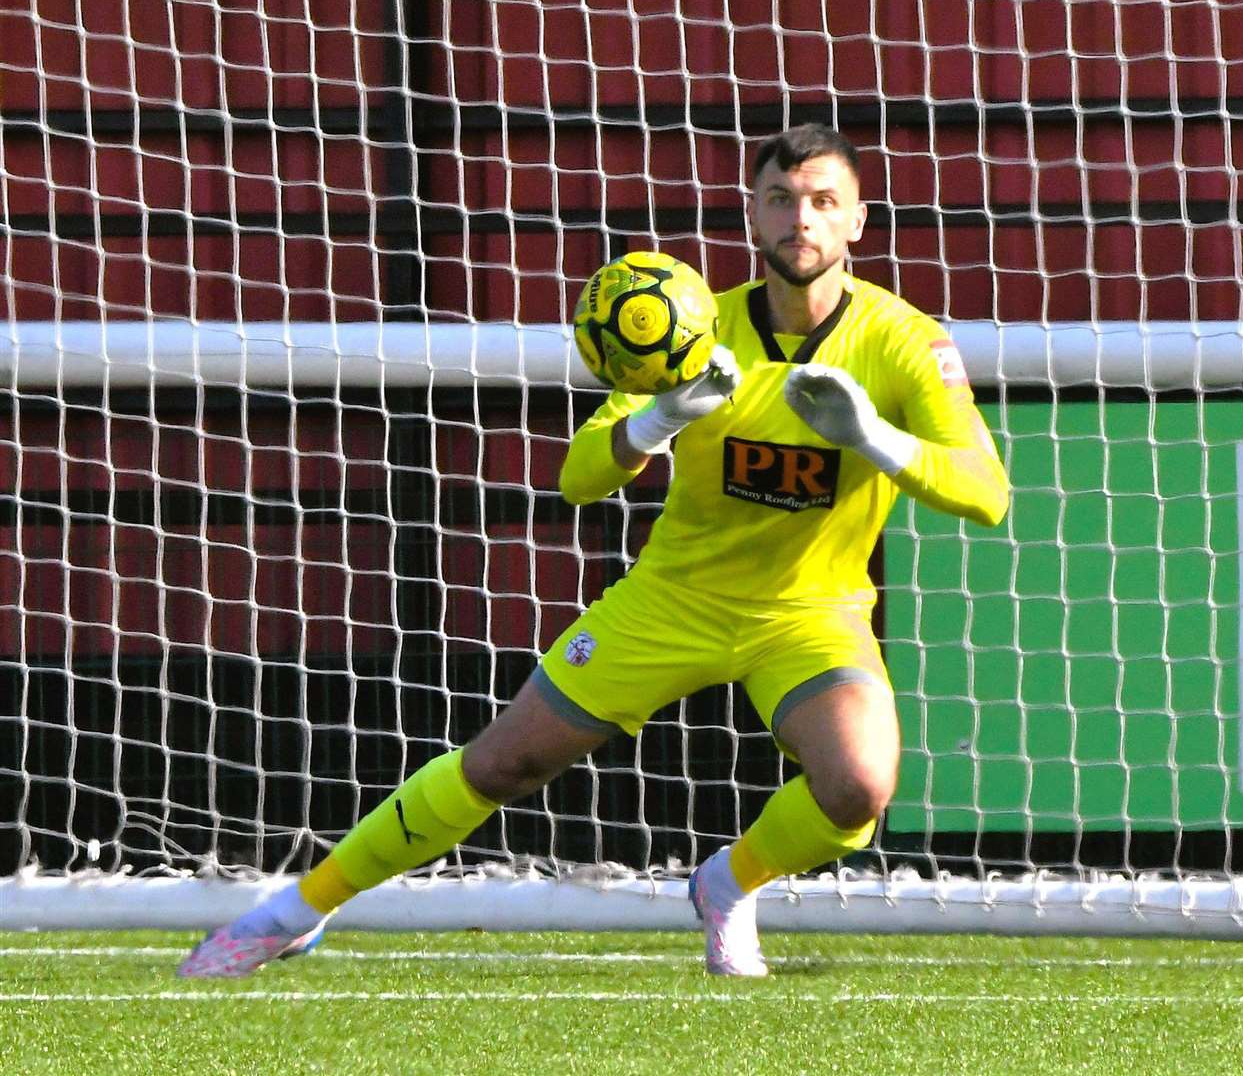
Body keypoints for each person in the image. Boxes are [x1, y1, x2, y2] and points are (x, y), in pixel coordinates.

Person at [178, 123, 1010, 980]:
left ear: (859, 221)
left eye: (824, 202)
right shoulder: (687, 326)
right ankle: (296, 910)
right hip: (672, 602)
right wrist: (661, 418)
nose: (802, 219)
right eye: (781, 199)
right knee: (502, 762)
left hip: (811, 614)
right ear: (752, 217)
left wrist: (871, 435)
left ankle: (727, 883)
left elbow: (987, 493)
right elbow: (578, 477)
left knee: (859, 789)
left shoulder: (906, 341)